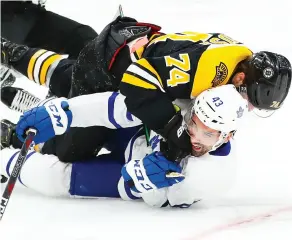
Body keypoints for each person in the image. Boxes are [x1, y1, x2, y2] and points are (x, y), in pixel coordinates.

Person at [2, 16, 291, 162]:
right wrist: (172, 127)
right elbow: (136, 86)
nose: (248, 108)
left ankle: (10, 54)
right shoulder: (208, 72)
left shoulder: (240, 60)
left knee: (66, 74)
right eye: (250, 100)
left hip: (126, 45)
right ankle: (14, 133)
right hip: (116, 70)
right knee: (72, 149)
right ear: (240, 79)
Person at [0, 84, 248, 208]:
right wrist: (65, 113)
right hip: (132, 137)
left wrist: (143, 181)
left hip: (128, 176)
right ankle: (44, 112)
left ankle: (4, 158)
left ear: (227, 136)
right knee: (71, 142)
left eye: (206, 134)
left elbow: (157, 199)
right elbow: (117, 107)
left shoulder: (214, 175)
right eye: (192, 124)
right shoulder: (182, 105)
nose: (193, 137)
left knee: (56, 179)